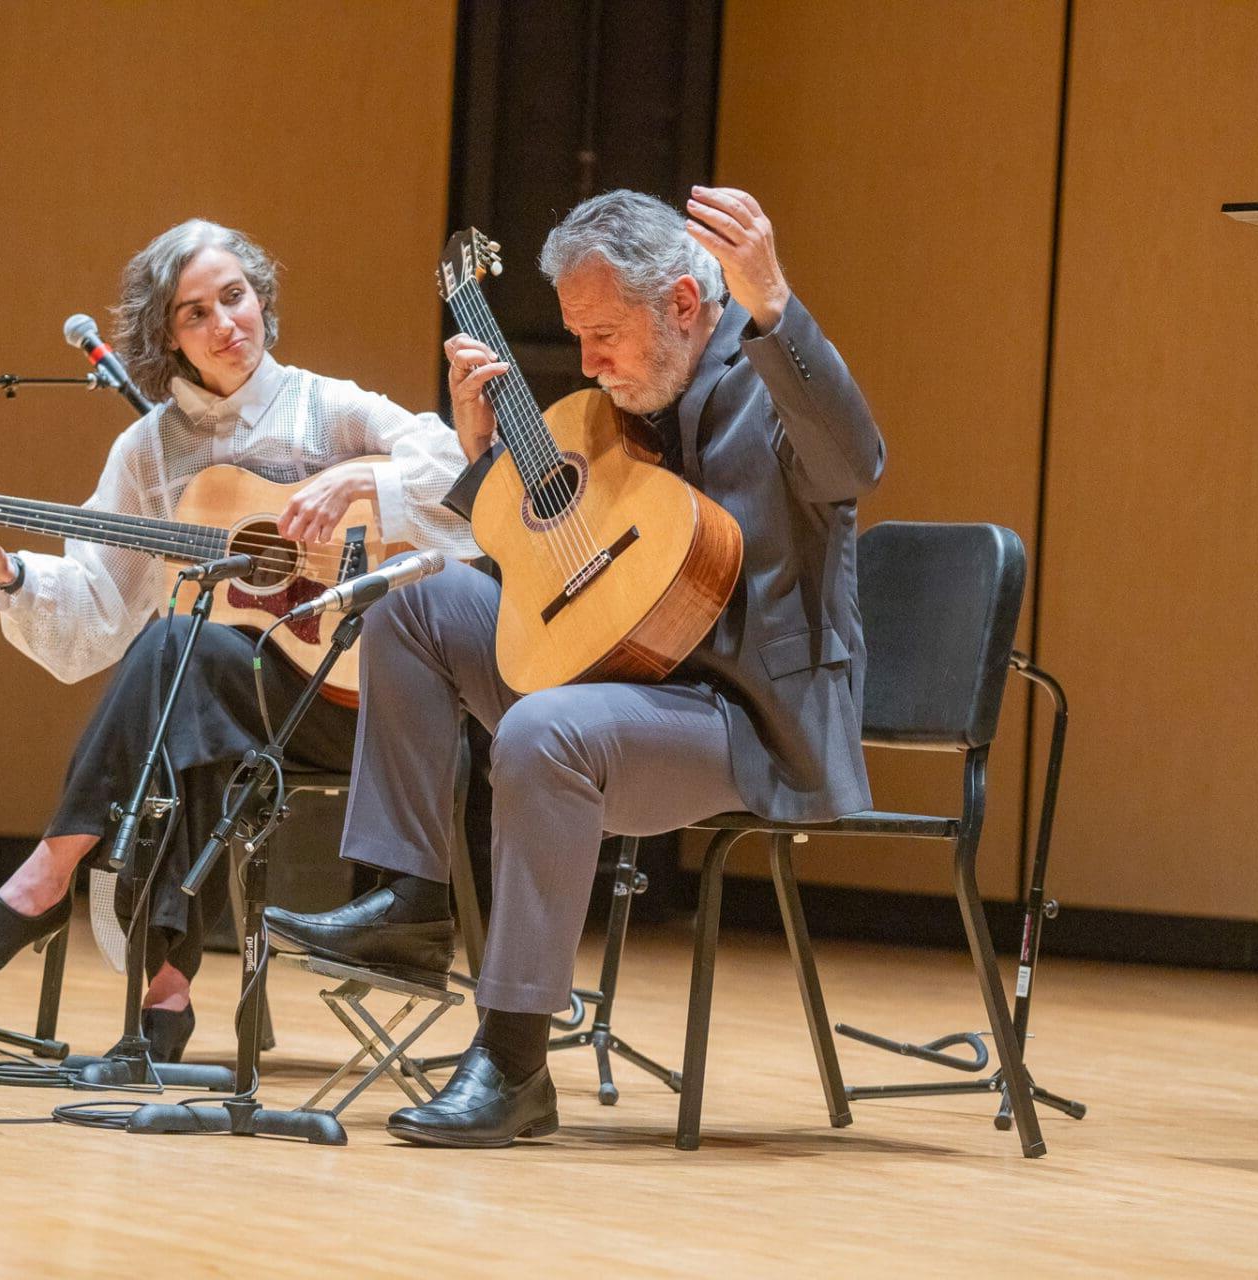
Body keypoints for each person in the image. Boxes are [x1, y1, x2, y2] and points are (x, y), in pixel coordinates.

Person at [265, 186, 886, 1146]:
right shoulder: (617, 409)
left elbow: (856, 462)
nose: (587, 363)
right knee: (414, 605)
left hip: (746, 719)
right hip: (622, 679)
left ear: (685, 304)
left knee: (544, 728)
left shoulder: (772, 385)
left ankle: (512, 1063)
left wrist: (775, 302)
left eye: (604, 335)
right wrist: (481, 458)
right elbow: (568, 573)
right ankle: (413, 901)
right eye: (576, 336)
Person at [0, 218, 480, 1063]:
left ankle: (48, 878)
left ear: (260, 299)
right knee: (183, 680)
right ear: (166, 338)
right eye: (195, 314)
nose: (226, 324)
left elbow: (462, 483)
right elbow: (102, 602)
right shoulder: (149, 452)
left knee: (181, 654)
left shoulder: (327, 405)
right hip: (235, 707)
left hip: (362, 701)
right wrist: (8, 574)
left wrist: (365, 477)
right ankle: (165, 1003)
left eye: (235, 297)